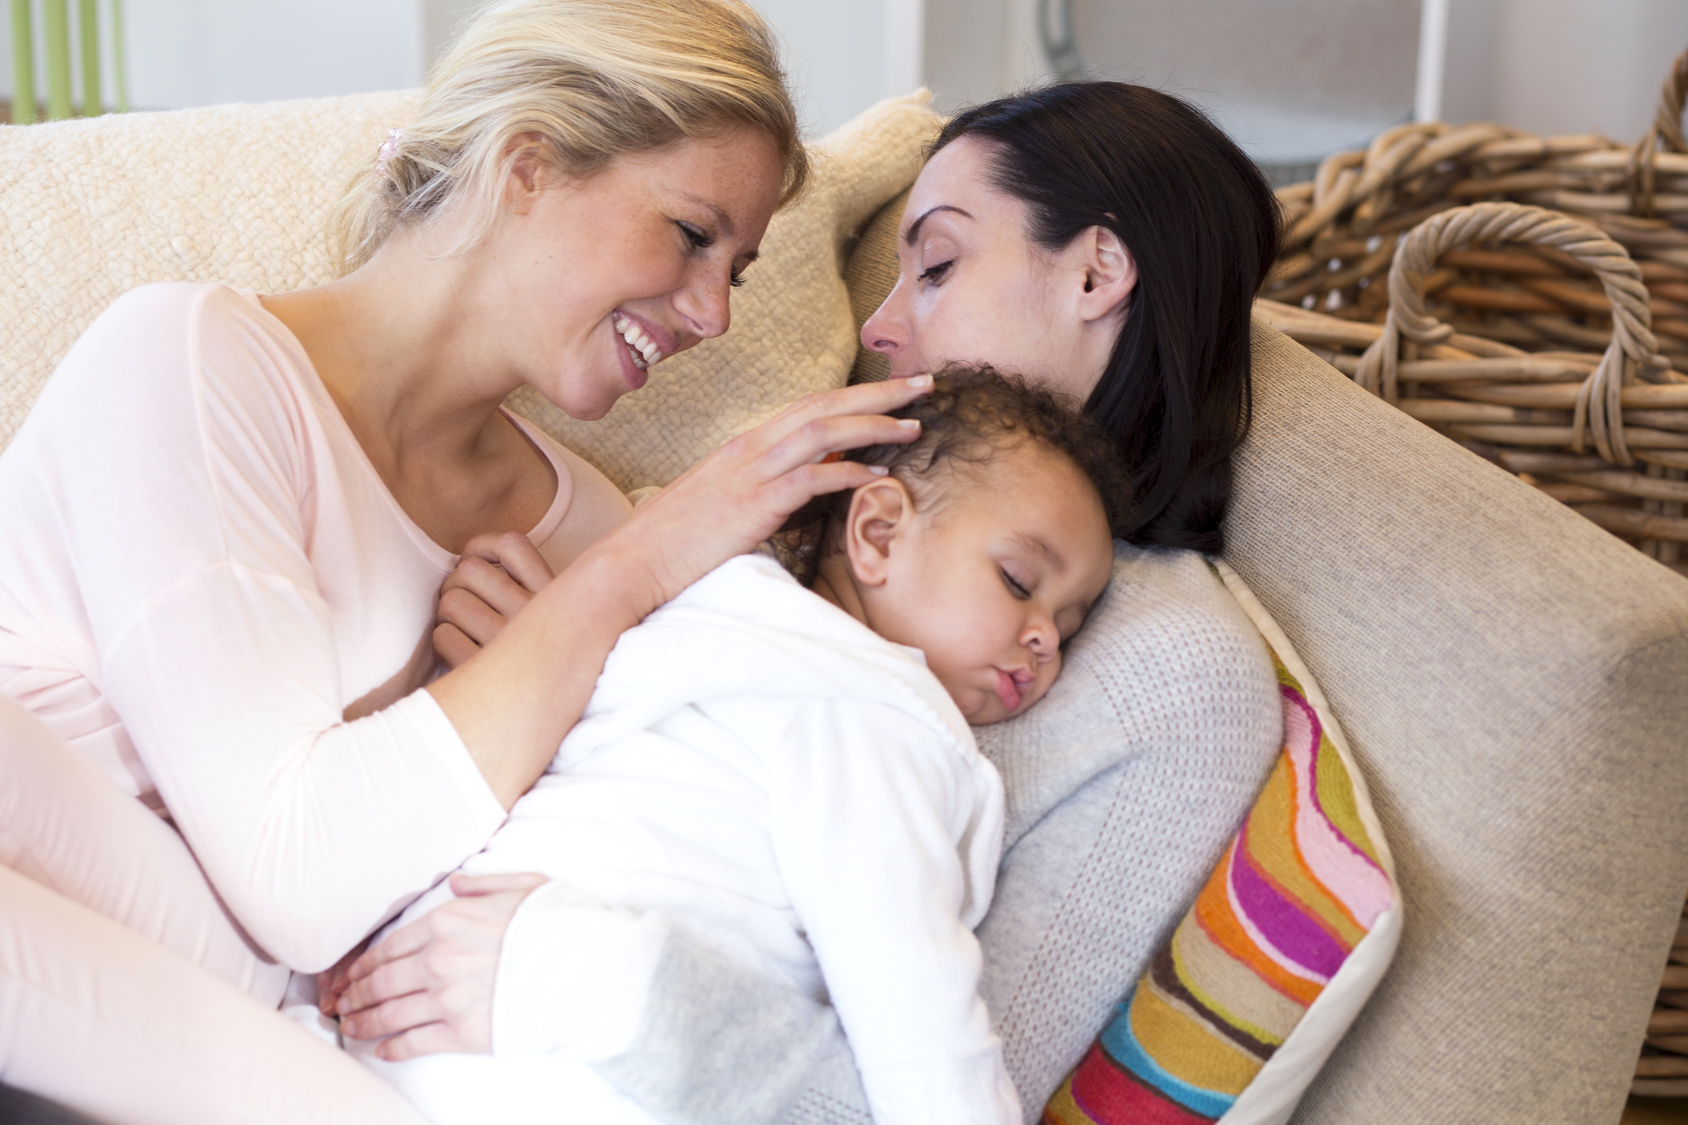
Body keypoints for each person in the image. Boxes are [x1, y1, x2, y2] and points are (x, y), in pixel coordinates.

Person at [0, 2, 935, 1122]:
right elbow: (297, 881)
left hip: (337, 1042)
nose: (712, 313)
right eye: (692, 235)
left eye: (735, 268)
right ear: (528, 165)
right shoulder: (184, 366)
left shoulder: (573, 525)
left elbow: (571, 866)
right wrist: (621, 577)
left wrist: (523, 668)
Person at [332, 81, 1288, 1124]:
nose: (878, 328)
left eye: (933, 266)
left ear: (1095, 272)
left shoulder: (1171, 681)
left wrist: (588, 976)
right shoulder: (847, 490)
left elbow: (935, 1083)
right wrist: (542, 662)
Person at [351, 368, 1125, 1125]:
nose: (1043, 641)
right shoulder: (882, 716)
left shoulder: (698, 615)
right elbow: (914, 997)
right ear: (878, 532)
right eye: (1020, 581)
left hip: (407, 1000)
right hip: (579, 1059)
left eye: (1069, 626)